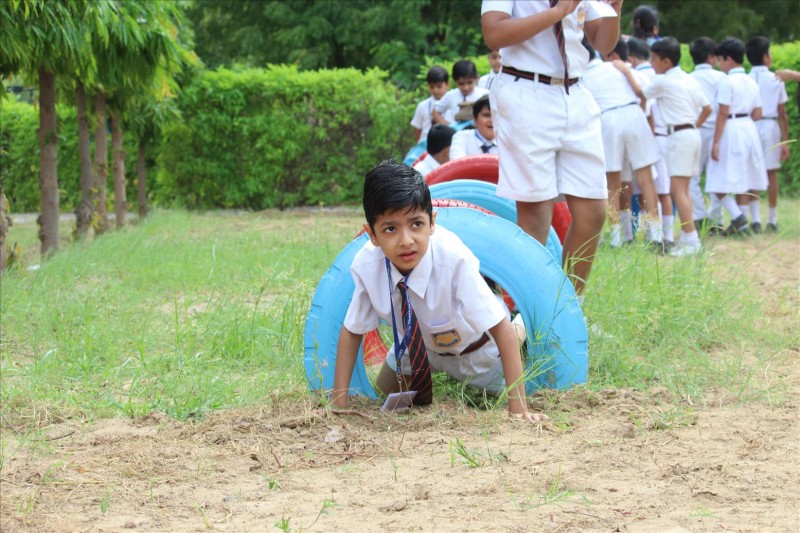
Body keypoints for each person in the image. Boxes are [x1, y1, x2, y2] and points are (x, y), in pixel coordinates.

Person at [331, 161, 546, 423]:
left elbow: (499, 331)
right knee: (381, 396)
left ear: (432, 223)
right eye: (390, 228)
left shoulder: (454, 260)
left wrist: (519, 410)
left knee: (508, 340)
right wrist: (338, 406)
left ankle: (521, 323)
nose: (406, 240)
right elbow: (352, 331)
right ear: (372, 235)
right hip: (416, 348)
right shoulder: (367, 266)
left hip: (477, 352)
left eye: (416, 224)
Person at [481, 0, 624, 295]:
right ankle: (531, 318)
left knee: (593, 212)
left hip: (576, 92)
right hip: (524, 90)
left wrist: (616, 7)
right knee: (534, 213)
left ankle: (566, 314)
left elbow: (603, 43)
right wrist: (556, 13)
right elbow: (493, 33)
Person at [581, 37, 662, 248]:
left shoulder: (581, 78)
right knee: (646, 180)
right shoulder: (617, 67)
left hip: (607, 120)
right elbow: (644, 91)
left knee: (613, 184)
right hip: (633, 113)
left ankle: (618, 238)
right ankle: (657, 235)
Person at [642, 37, 711, 256]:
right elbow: (707, 108)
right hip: (692, 134)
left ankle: (691, 240)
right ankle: (690, 238)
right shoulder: (689, 79)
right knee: (685, 189)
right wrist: (692, 126)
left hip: (679, 136)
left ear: (666, 61)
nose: (651, 64)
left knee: (677, 190)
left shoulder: (663, 81)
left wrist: (625, 72)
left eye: (653, 59)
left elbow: (641, 92)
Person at [706, 37, 767, 237]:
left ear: (728, 60)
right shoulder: (751, 81)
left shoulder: (727, 81)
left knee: (718, 178)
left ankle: (737, 216)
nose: (720, 64)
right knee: (744, 176)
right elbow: (758, 113)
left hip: (730, 128)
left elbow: (722, 113)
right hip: (748, 127)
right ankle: (741, 220)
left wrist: (715, 142)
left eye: (721, 60)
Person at [628, 36, 675, 249]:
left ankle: (664, 237)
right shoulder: (657, 76)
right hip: (659, 138)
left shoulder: (643, 77)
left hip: (654, 138)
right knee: (657, 189)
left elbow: (647, 112)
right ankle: (657, 235)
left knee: (653, 191)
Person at [746, 36, 790, 233]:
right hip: (770, 125)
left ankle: (754, 218)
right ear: (766, 58)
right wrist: (785, 141)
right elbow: (782, 113)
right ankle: (771, 219)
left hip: (749, 125)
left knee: (750, 171)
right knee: (771, 173)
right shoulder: (776, 79)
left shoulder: (745, 78)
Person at [689, 37, 726, 231]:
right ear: (711, 57)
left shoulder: (689, 78)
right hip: (719, 130)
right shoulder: (721, 78)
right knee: (717, 175)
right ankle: (716, 218)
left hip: (696, 128)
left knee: (693, 176)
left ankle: (699, 216)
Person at [432, 60, 489, 126]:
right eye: (461, 84)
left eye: (469, 82)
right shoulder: (451, 95)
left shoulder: (485, 95)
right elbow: (435, 112)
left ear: (477, 78)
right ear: (455, 81)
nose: (466, 88)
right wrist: (449, 127)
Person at [410, 66, 450, 144]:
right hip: (426, 145)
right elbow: (417, 129)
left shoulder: (453, 103)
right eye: (432, 87)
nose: (435, 90)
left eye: (439, 86)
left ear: (447, 85)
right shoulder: (423, 106)